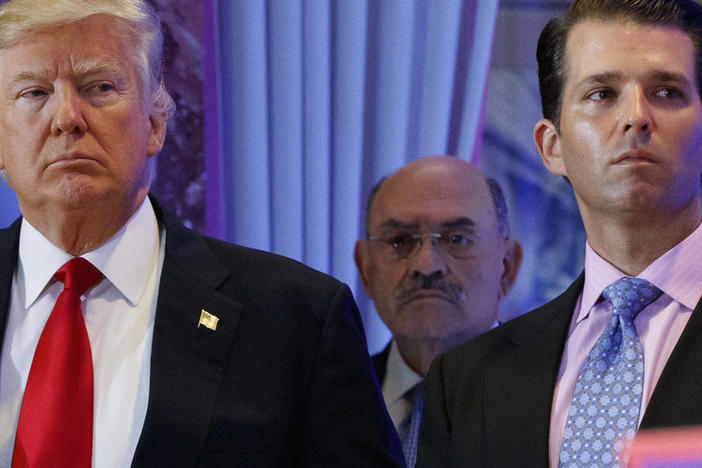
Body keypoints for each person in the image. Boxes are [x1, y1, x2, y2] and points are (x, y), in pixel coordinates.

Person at [0, 1, 405, 467]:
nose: (67, 116)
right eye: (34, 93)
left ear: (155, 121)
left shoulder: (298, 318)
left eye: (100, 87)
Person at [417, 1, 702, 467]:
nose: (636, 116)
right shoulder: (467, 381)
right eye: (602, 94)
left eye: (667, 91)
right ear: (553, 147)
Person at [354, 155, 522, 468]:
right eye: (400, 241)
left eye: (457, 239)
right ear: (365, 269)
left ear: (507, 267)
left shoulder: (558, 400)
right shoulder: (328, 406)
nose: (426, 265)